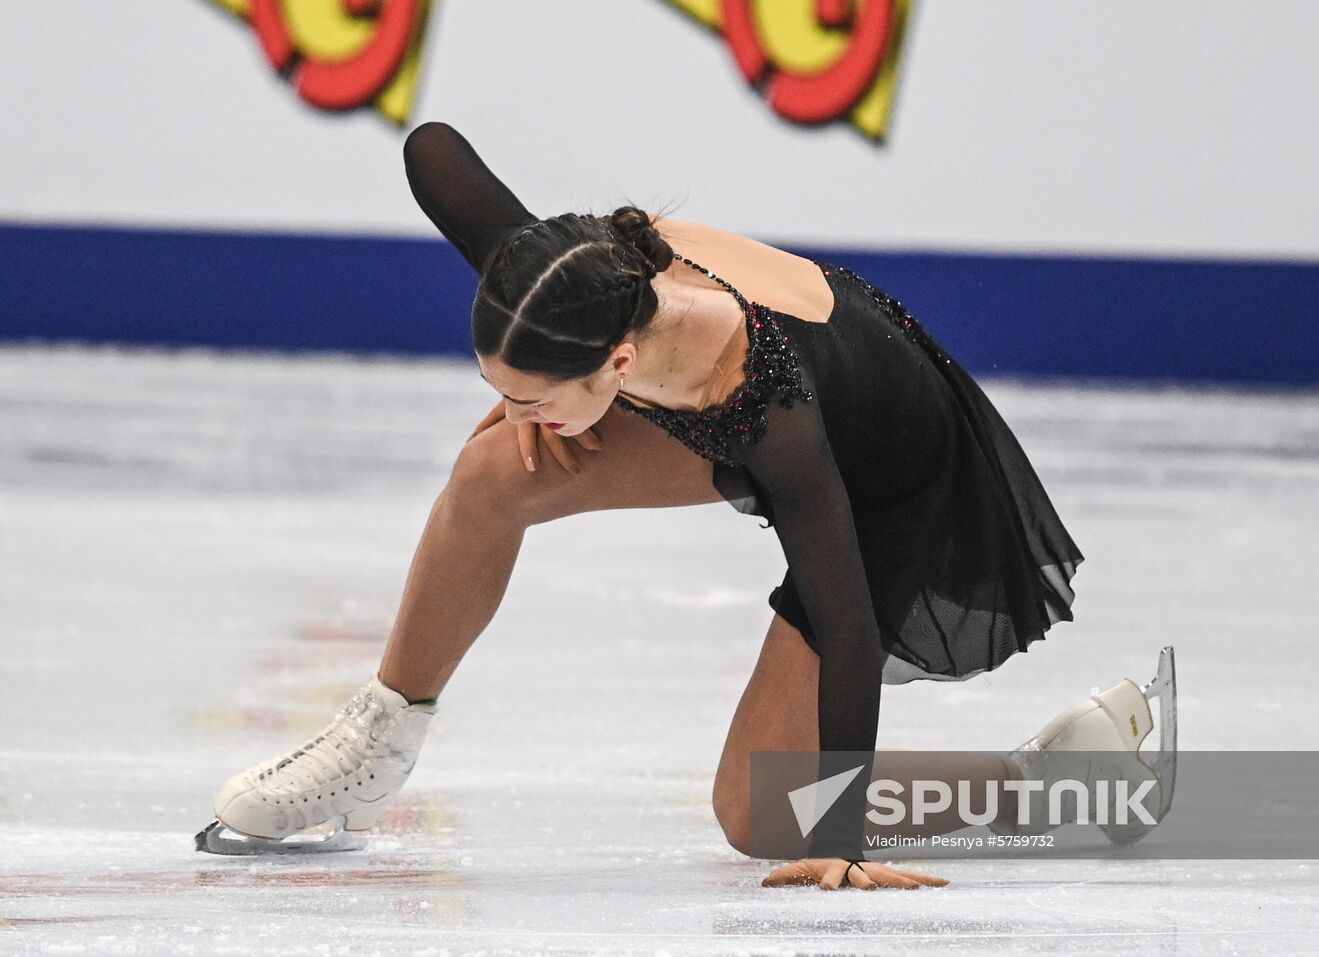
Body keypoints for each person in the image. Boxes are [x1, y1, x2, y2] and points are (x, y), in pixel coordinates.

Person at [198, 121, 1174, 890]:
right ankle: (378, 742)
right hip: (712, 399)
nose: (512, 407)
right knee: (493, 470)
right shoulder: (568, 288)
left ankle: (1046, 782)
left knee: (757, 812)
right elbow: (432, 152)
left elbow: (845, 622)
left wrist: (837, 838)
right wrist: (529, 397)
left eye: (533, 392)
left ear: (615, 369)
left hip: (891, 472)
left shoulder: (773, 412)